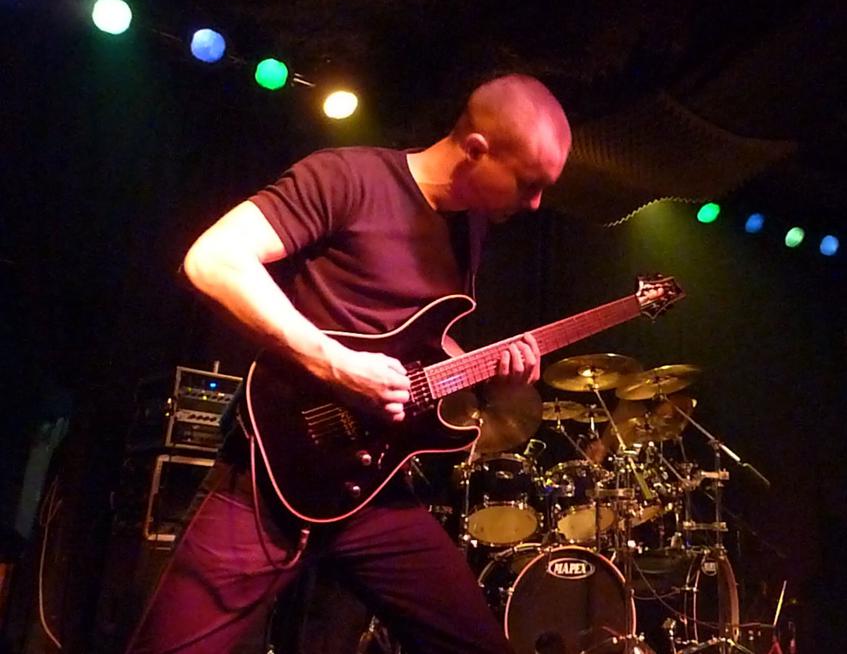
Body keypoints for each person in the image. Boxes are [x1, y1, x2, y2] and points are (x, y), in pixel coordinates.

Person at [125, 74, 572, 654]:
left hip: (373, 488)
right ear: (476, 149)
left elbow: (416, 349)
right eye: (529, 183)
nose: (535, 204)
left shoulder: (471, 228)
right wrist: (336, 363)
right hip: (273, 474)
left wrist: (495, 376)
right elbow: (212, 259)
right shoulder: (348, 177)